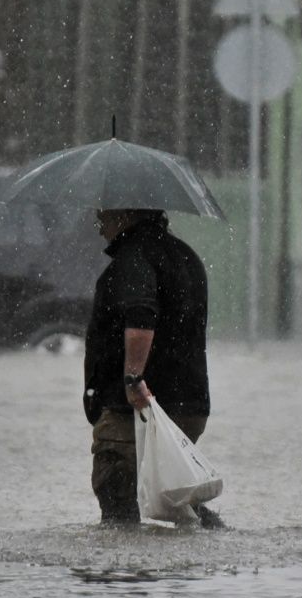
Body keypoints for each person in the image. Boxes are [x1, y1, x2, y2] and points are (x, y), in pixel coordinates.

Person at [83, 208, 222, 529]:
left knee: (116, 494)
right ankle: (208, 549)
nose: (99, 221)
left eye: (104, 212)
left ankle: (125, 575)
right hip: (188, 405)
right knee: (175, 492)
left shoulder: (133, 259)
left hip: (135, 407)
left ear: (126, 213)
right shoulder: (186, 256)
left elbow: (141, 315)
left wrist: (133, 380)